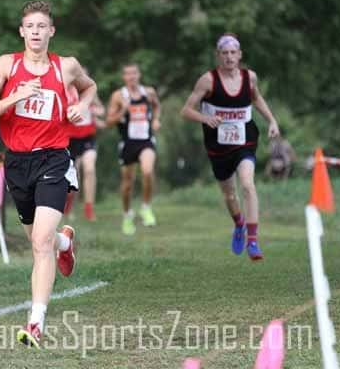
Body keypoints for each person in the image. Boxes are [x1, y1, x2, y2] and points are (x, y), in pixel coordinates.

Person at [0, 0, 96, 348]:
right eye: (31, 26)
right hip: (17, 163)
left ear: (51, 31)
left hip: (54, 158)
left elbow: (90, 87)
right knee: (39, 239)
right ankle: (65, 242)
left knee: (40, 242)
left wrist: (82, 106)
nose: (37, 32)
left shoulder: (66, 66)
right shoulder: (7, 65)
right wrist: (15, 97)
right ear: (22, 32)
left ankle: (36, 323)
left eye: (43, 26)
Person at [181, 33, 280, 261]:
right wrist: (206, 119)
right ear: (218, 56)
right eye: (224, 53)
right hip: (218, 146)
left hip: (245, 140)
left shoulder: (250, 77)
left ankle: (253, 241)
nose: (229, 57)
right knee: (230, 195)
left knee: (247, 184)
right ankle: (239, 224)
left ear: (240, 55)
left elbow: (256, 99)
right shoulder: (208, 80)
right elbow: (186, 110)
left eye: (233, 52)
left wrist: (272, 120)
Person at [106, 64, 161, 235]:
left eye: (134, 73)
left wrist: (156, 120)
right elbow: (109, 122)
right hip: (128, 142)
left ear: (139, 74)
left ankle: (145, 207)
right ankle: (127, 215)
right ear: (124, 77)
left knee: (147, 171)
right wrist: (123, 109)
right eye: (128, 74)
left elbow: (157, 106)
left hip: (146, 140)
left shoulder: (148, 92)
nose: (131, 77)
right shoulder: (118, 96)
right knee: (128, 184)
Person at [64, 73, 106, 221]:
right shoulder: (65, 92)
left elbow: (101, 110)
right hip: (70, 140)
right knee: (73, 177)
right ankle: (68, 206)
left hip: (88, 138)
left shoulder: (89, 92)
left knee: (89, 169)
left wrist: (94, 110)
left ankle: (89, 208)